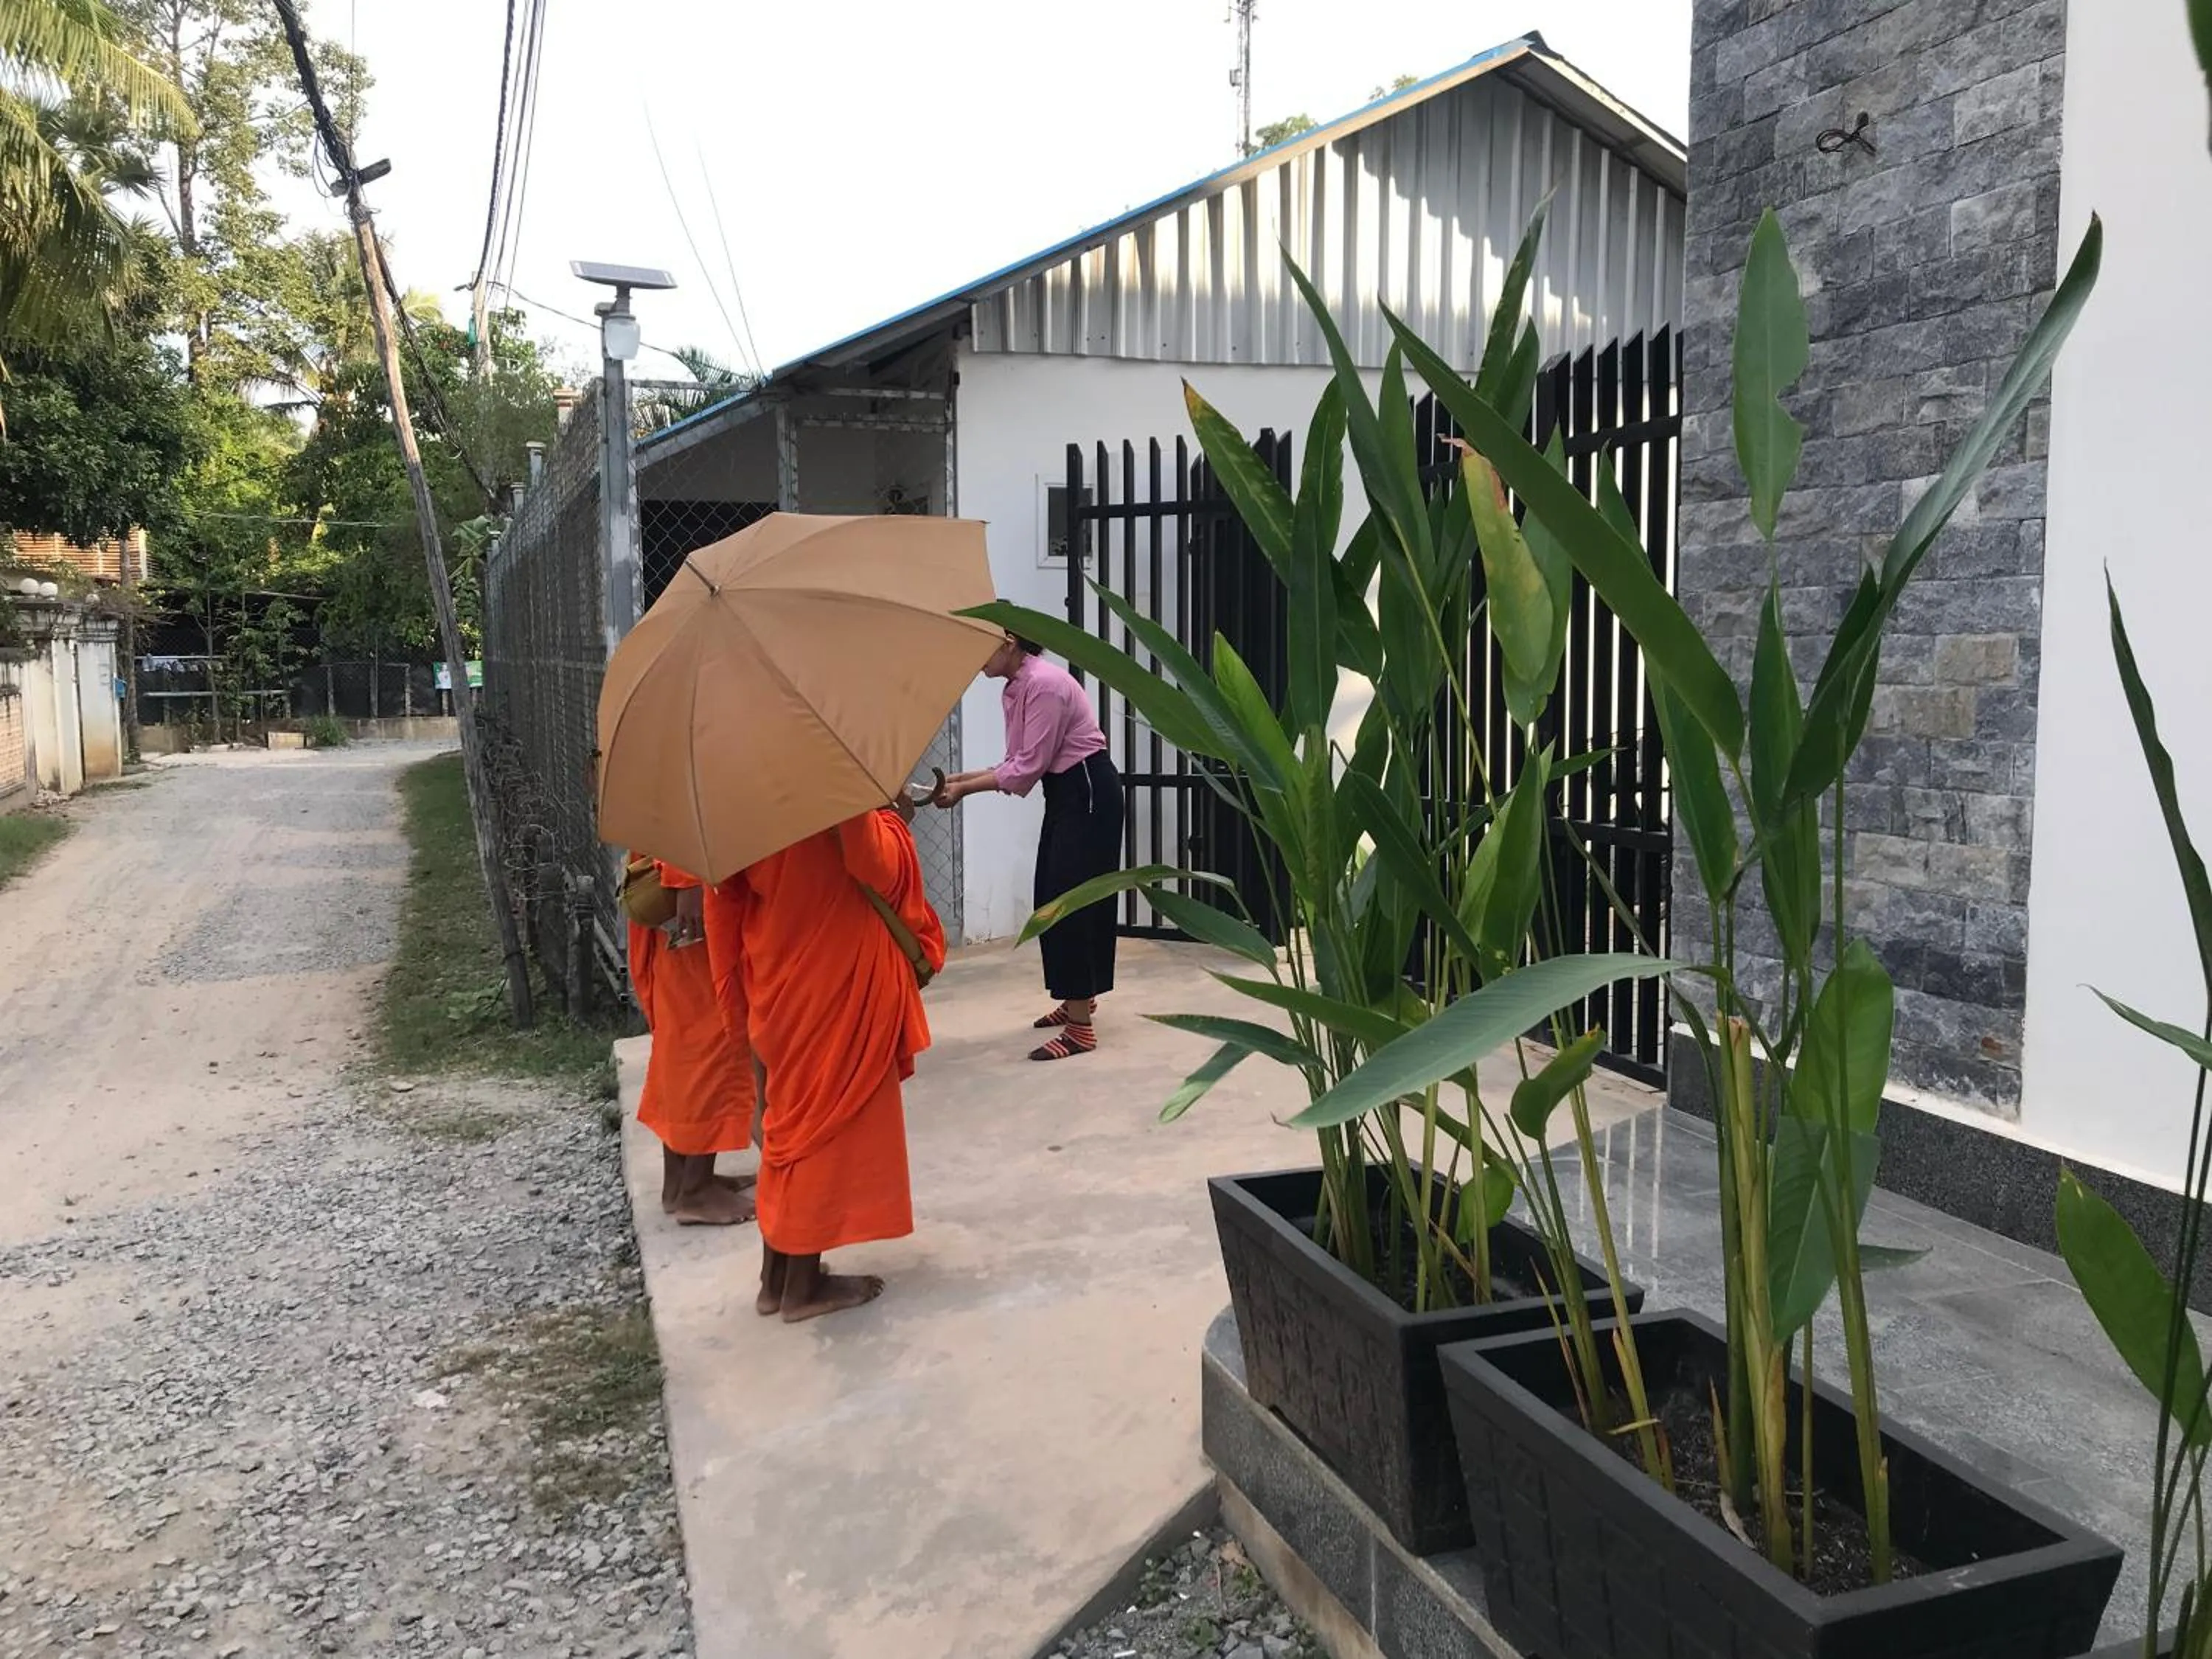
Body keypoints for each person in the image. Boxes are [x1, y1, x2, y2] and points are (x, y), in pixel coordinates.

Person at [709, 797, 943, 1322]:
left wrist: (737, 1005)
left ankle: (776, 1280)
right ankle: (802, 1288)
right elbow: (876, 865)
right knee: (819, 1133)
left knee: (789, 1126)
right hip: (832, 976)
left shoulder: (738, 798)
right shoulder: (828, 785)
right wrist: (889, 818)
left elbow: (724, 899)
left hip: (775, 969)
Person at [933, 634, 1123, 1061]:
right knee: (1050, 900)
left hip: (1088, 791)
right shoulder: (1017, 687)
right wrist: (958, 781)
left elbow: (1026, 769)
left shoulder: (1045, 685)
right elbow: (1015, 760)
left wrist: (965, 791)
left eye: (978, 646)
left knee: (1069, 903)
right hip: (1066, 793)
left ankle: (1080, 1030)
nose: (972, 660)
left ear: (1008, 642)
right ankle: (1081, 997)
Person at [625, 862, 758, 1225]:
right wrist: (686, 882)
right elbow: (682, 807)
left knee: (687, 1037)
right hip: (690, 881)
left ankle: (682, 1179)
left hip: (688, 876)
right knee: (712, 1036)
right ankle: (696, 1191)